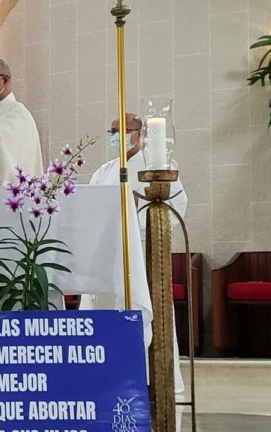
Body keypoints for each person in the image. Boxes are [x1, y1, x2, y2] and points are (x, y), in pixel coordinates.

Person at [84, 112, 188, 431]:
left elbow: (175, 207)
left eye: (122, 131)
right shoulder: (103, 171)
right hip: (106, 260)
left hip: (143, 254)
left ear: (140, 134)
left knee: (146, 312)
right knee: (103, 313)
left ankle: (151, 377)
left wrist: (136, 223)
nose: (115, 137)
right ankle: (105, 374)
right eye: (112, 131)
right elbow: (90, 210)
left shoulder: (156, 170)